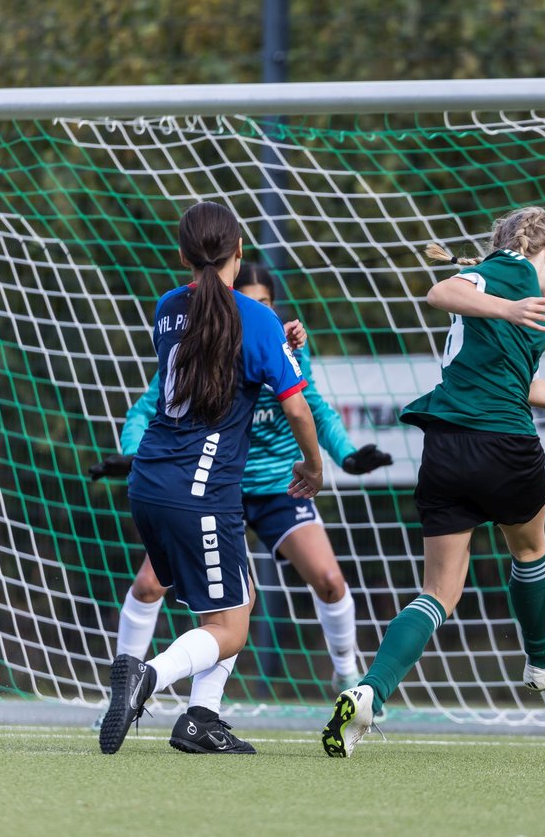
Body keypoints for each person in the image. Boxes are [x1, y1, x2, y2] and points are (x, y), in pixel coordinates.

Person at [320, 206, 545, 758]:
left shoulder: (506, 292)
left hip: (446, 449)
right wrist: (511, 303)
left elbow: (523, 381)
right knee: (531, 547)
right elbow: (441, 293)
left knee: (438, 591)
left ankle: (370, 691)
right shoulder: (514, 269)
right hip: (503, 444)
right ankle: (541, 658)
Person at [89, 263, 392, 753]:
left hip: (273, 488)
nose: (255, 309)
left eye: (264, 303)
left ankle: (349, 684)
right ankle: (145, 690)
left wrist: (346, 457)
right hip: (209, 487)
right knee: (178, 595)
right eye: (246, 299)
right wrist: (130, 450)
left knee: (323, 581)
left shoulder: (271, 340)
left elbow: (310, 407)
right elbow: (152, 405)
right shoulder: (206, 339)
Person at [99, 201, 324, 756]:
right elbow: (296, 408)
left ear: (182, 255)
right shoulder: (258, 319)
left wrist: (273, 342)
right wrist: (314, 466)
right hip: (201, 492)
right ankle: (147, 677)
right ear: (239, 251)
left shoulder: (168, 307)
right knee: (231, 628)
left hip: (149, 483)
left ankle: (201, 720)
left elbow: (214, 344)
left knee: (233, 598)